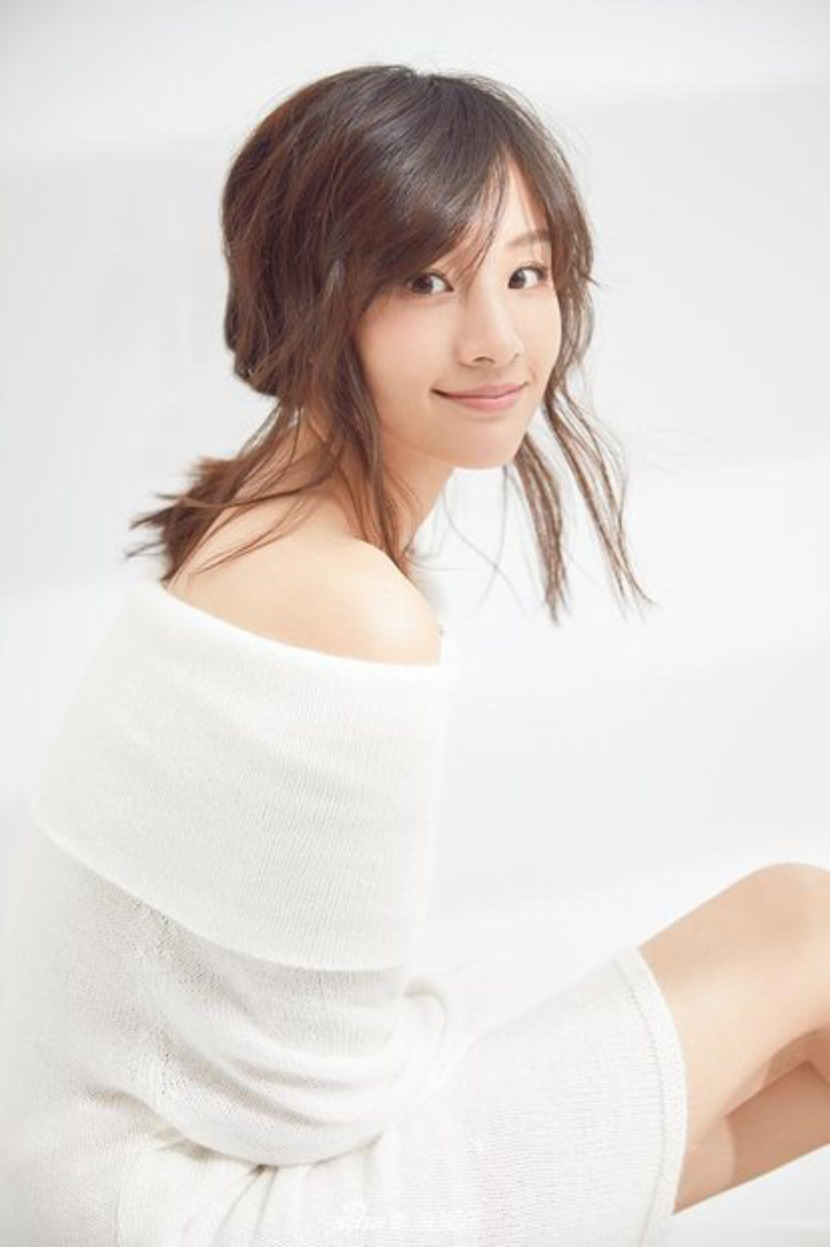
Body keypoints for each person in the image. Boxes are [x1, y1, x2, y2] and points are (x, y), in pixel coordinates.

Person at [2, 63, 829, 1247]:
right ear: (311, 292)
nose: (496, 339)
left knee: (786, 1037)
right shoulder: (348, 604)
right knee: (800, 932)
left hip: (105, 1178)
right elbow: (306, 1109)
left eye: (524, 273)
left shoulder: (266, 515)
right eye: (425, 279)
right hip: (192, 1209)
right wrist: (513, 1044)